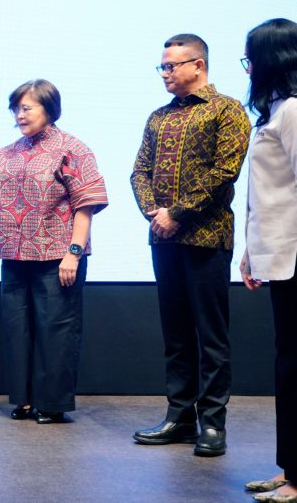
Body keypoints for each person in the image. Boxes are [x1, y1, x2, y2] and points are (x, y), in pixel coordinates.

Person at [130, 33, 251, 457]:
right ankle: (179, 417)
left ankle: (212, 424)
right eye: (162, 66)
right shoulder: (158, 117)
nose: (165, 73)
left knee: (210, 337)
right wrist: (154, 213)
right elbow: (139, 171)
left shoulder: (227, 110)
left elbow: (224, 171)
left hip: (206, 237)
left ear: (197, 65)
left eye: (171, 66)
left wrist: (176, 213)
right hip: (163, 238)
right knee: (176, 333)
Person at [0, 80, 108, 425]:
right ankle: (22, 399)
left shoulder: (72, 149)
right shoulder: (5, 153)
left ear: (49, 109)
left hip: (57, 256)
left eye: (27, 108)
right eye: (16, 109)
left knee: (56, 329)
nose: (20, 115)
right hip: (15, 255)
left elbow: (86, 204)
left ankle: (51, 403)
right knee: (17, 329)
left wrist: (74, 253)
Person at [238, 18, 297, 502]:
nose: (248, 68)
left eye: (250, 58)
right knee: (288, 365)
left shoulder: (294, 110)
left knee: (295, 367)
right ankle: (290, 469)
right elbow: (265, 193)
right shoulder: (275, 110)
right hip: (279, 256)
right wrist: (249, 251)